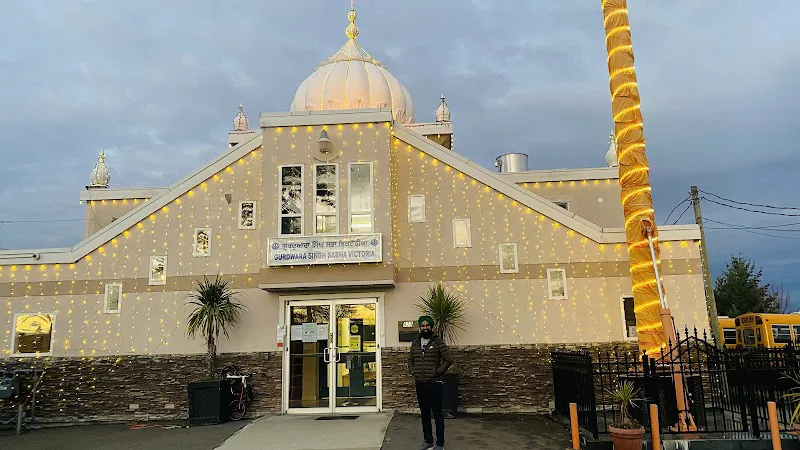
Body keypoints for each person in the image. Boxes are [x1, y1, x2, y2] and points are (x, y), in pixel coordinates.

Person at [408, 315, 453, 450]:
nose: (425, 328)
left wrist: (438, 372)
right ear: (420, 327)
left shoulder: (438, 342)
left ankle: (439, 444)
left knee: (437, 414)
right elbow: (410, 359)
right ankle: (428, 441)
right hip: (420, 383)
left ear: (431, 327)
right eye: (423, 326)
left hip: (434, 383)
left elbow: (448, 360)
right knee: (424, 414)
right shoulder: (415, 343)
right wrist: (412, 371)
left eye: (427, 325)